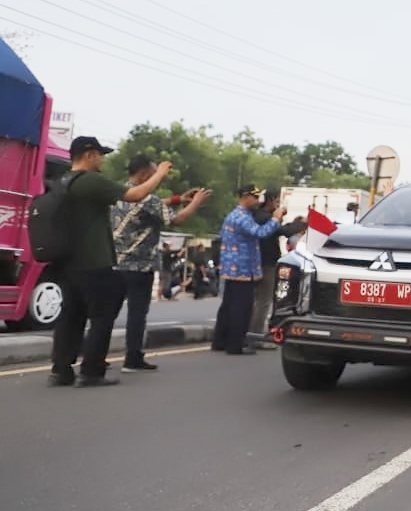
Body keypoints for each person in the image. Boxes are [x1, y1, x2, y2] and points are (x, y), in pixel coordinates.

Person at [49, 137, 173, 387]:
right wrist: (159, 173)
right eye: (100, 155)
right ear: (88, 155)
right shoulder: (90, 180)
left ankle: (60, 370)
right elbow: (135, 194)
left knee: (70, 316)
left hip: (66, 262)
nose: (102, 160)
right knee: (102, 316)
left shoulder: (62, 181)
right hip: (93, 261)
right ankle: (91, 371)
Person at [112, 154, 209, 373]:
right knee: (137, 315)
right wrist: (195, 203)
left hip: (115, 264)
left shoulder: (120, 193)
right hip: (140, 267)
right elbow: (177, 219)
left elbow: (146, 206)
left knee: (107, 314)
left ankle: (97, 358)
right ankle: (132, 358)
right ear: (146, 173)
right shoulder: (149, 199)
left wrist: (176, 200)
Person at [212, 186, 285, 355]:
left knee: (228, 306)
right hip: (242, 268)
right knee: (241, 307)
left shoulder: (234, 215)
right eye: (255, 197)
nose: (258, 201)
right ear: (246, 197)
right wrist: (275, 219)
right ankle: (235, 344)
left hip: (232, 267)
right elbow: (260, 232)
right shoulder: (242, 217)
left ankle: (220, 341)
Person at [249, 190, 306, 349]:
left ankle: (251, 334)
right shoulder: (265, 218)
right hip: (266, 263)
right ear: (271, 201)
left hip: (255, 262)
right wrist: (302, 223)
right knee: (263, 302)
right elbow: (284, 231)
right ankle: (257, 337)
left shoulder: (256, 216)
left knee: (256, 301)